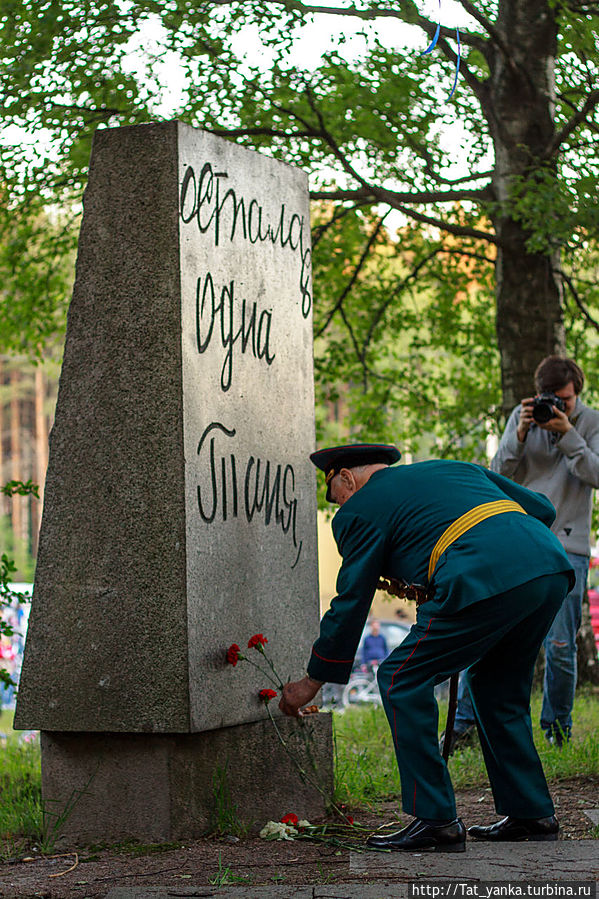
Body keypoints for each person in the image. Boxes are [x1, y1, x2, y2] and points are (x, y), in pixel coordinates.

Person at [279, 443, 574, 851]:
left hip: (483, 572)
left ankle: (435, 821)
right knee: (495, 686)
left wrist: (314, 680)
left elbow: (351, 601)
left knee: (401, 677)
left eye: (335, 495)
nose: (338, 505)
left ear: (346, 477)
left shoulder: (359, 509)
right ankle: (531, 814)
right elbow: (541, 509)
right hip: (548, 565)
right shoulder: (453, 468)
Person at [448, 356, 599, 749]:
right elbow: (497, 475)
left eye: (566, 400)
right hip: (520, 541)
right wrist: (518, 432)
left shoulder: (591, 421)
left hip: (569, 546)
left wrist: (567, 433)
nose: (558, 407)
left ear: (576, 394)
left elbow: (596, 473)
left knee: (561, 646)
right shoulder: (524, 415)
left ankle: (557, 729)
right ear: (538, 394)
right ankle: (465, 725)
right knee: (491, 631)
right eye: (553, 399)